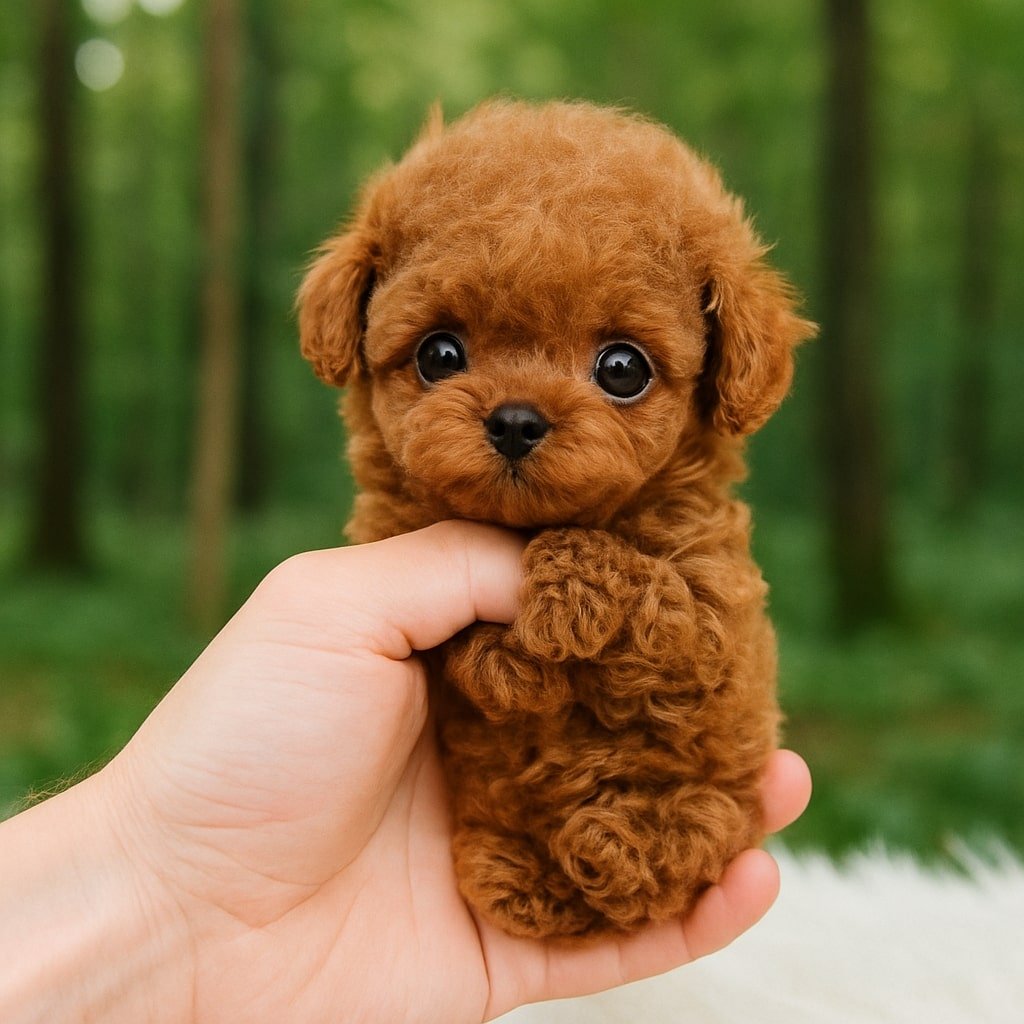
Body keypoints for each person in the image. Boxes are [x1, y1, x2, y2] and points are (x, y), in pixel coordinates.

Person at [0, 521, 811, 1023]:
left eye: (620, 372)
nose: (517, 411)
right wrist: (170, 888)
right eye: (443, 356)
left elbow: (692, 657)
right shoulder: (398, 581)